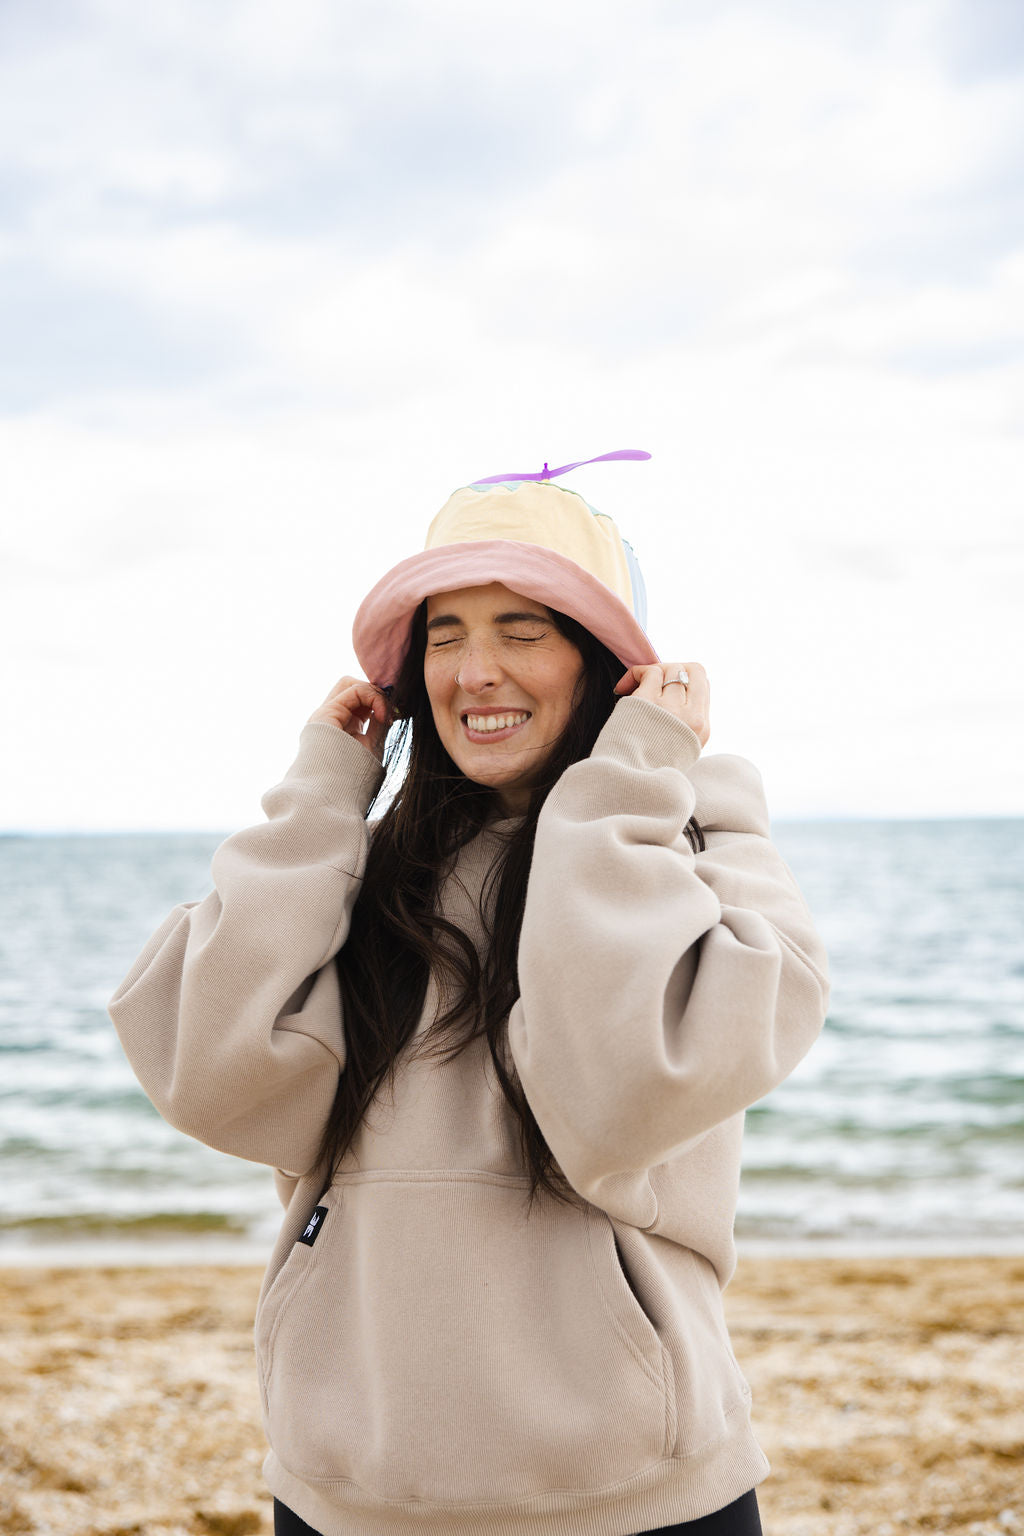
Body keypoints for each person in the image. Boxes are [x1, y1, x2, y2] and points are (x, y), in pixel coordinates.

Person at [110, 464, 830, 1536]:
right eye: (444, 635)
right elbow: (208, 1074)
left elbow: (618, 1093)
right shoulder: (360, 877)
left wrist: (628, 790)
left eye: (524, 628)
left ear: (610, 667)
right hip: (345, 1494)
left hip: (635, 1501)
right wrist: (321, 793)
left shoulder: (702, 856)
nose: (475, 672)